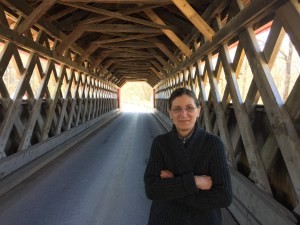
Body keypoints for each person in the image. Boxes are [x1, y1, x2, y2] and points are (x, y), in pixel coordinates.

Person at [144, 87, 232, 225]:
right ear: (170, 113)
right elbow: (151, 190)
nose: (183, 114)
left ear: (198, 111)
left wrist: (172, 185)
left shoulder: (214, 144)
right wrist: (195, 181)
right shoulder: (160, 143)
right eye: (177, 109)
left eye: (189, 108)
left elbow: (223, 197)